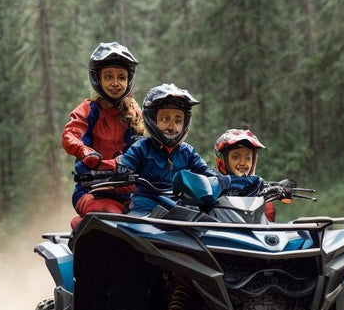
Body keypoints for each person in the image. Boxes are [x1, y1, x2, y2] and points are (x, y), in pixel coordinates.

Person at [117, 85, 261, 215]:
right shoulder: (141, 147)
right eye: (165, 119)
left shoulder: (187, 152)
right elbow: (124, 164)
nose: (172, 126)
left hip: (180, 207)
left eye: (178, 120)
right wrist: (121, 170)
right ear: (152, 120)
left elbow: (207, 173)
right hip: (145, 206)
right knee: (131, 232)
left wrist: (230, 182)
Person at [62, 42, 144, 221]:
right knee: (113, 218)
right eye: (108, 77)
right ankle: (82, 238)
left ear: (128, 80)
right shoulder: (88, 110)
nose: (115, 83)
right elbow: (70, 135)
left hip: (132, 192)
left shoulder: (134, 112)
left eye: (121, 77)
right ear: (98, 79)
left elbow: (146, 149)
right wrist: (85, 151)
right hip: (93, 190)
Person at [213, 128, 282, 222]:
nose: (243, 162)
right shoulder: (213, 186)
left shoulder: (257, 186)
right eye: (235, 157)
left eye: (247, 158)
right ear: (223, 160)